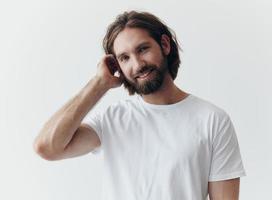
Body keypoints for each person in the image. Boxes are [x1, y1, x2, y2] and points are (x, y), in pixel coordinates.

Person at [33, 10, 246, 200]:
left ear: (164, 44)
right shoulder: (111, 120)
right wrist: (99, 84)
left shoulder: (212, 119)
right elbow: (47, 147)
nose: (137, 65)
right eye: (124, 58)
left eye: (142, 49)